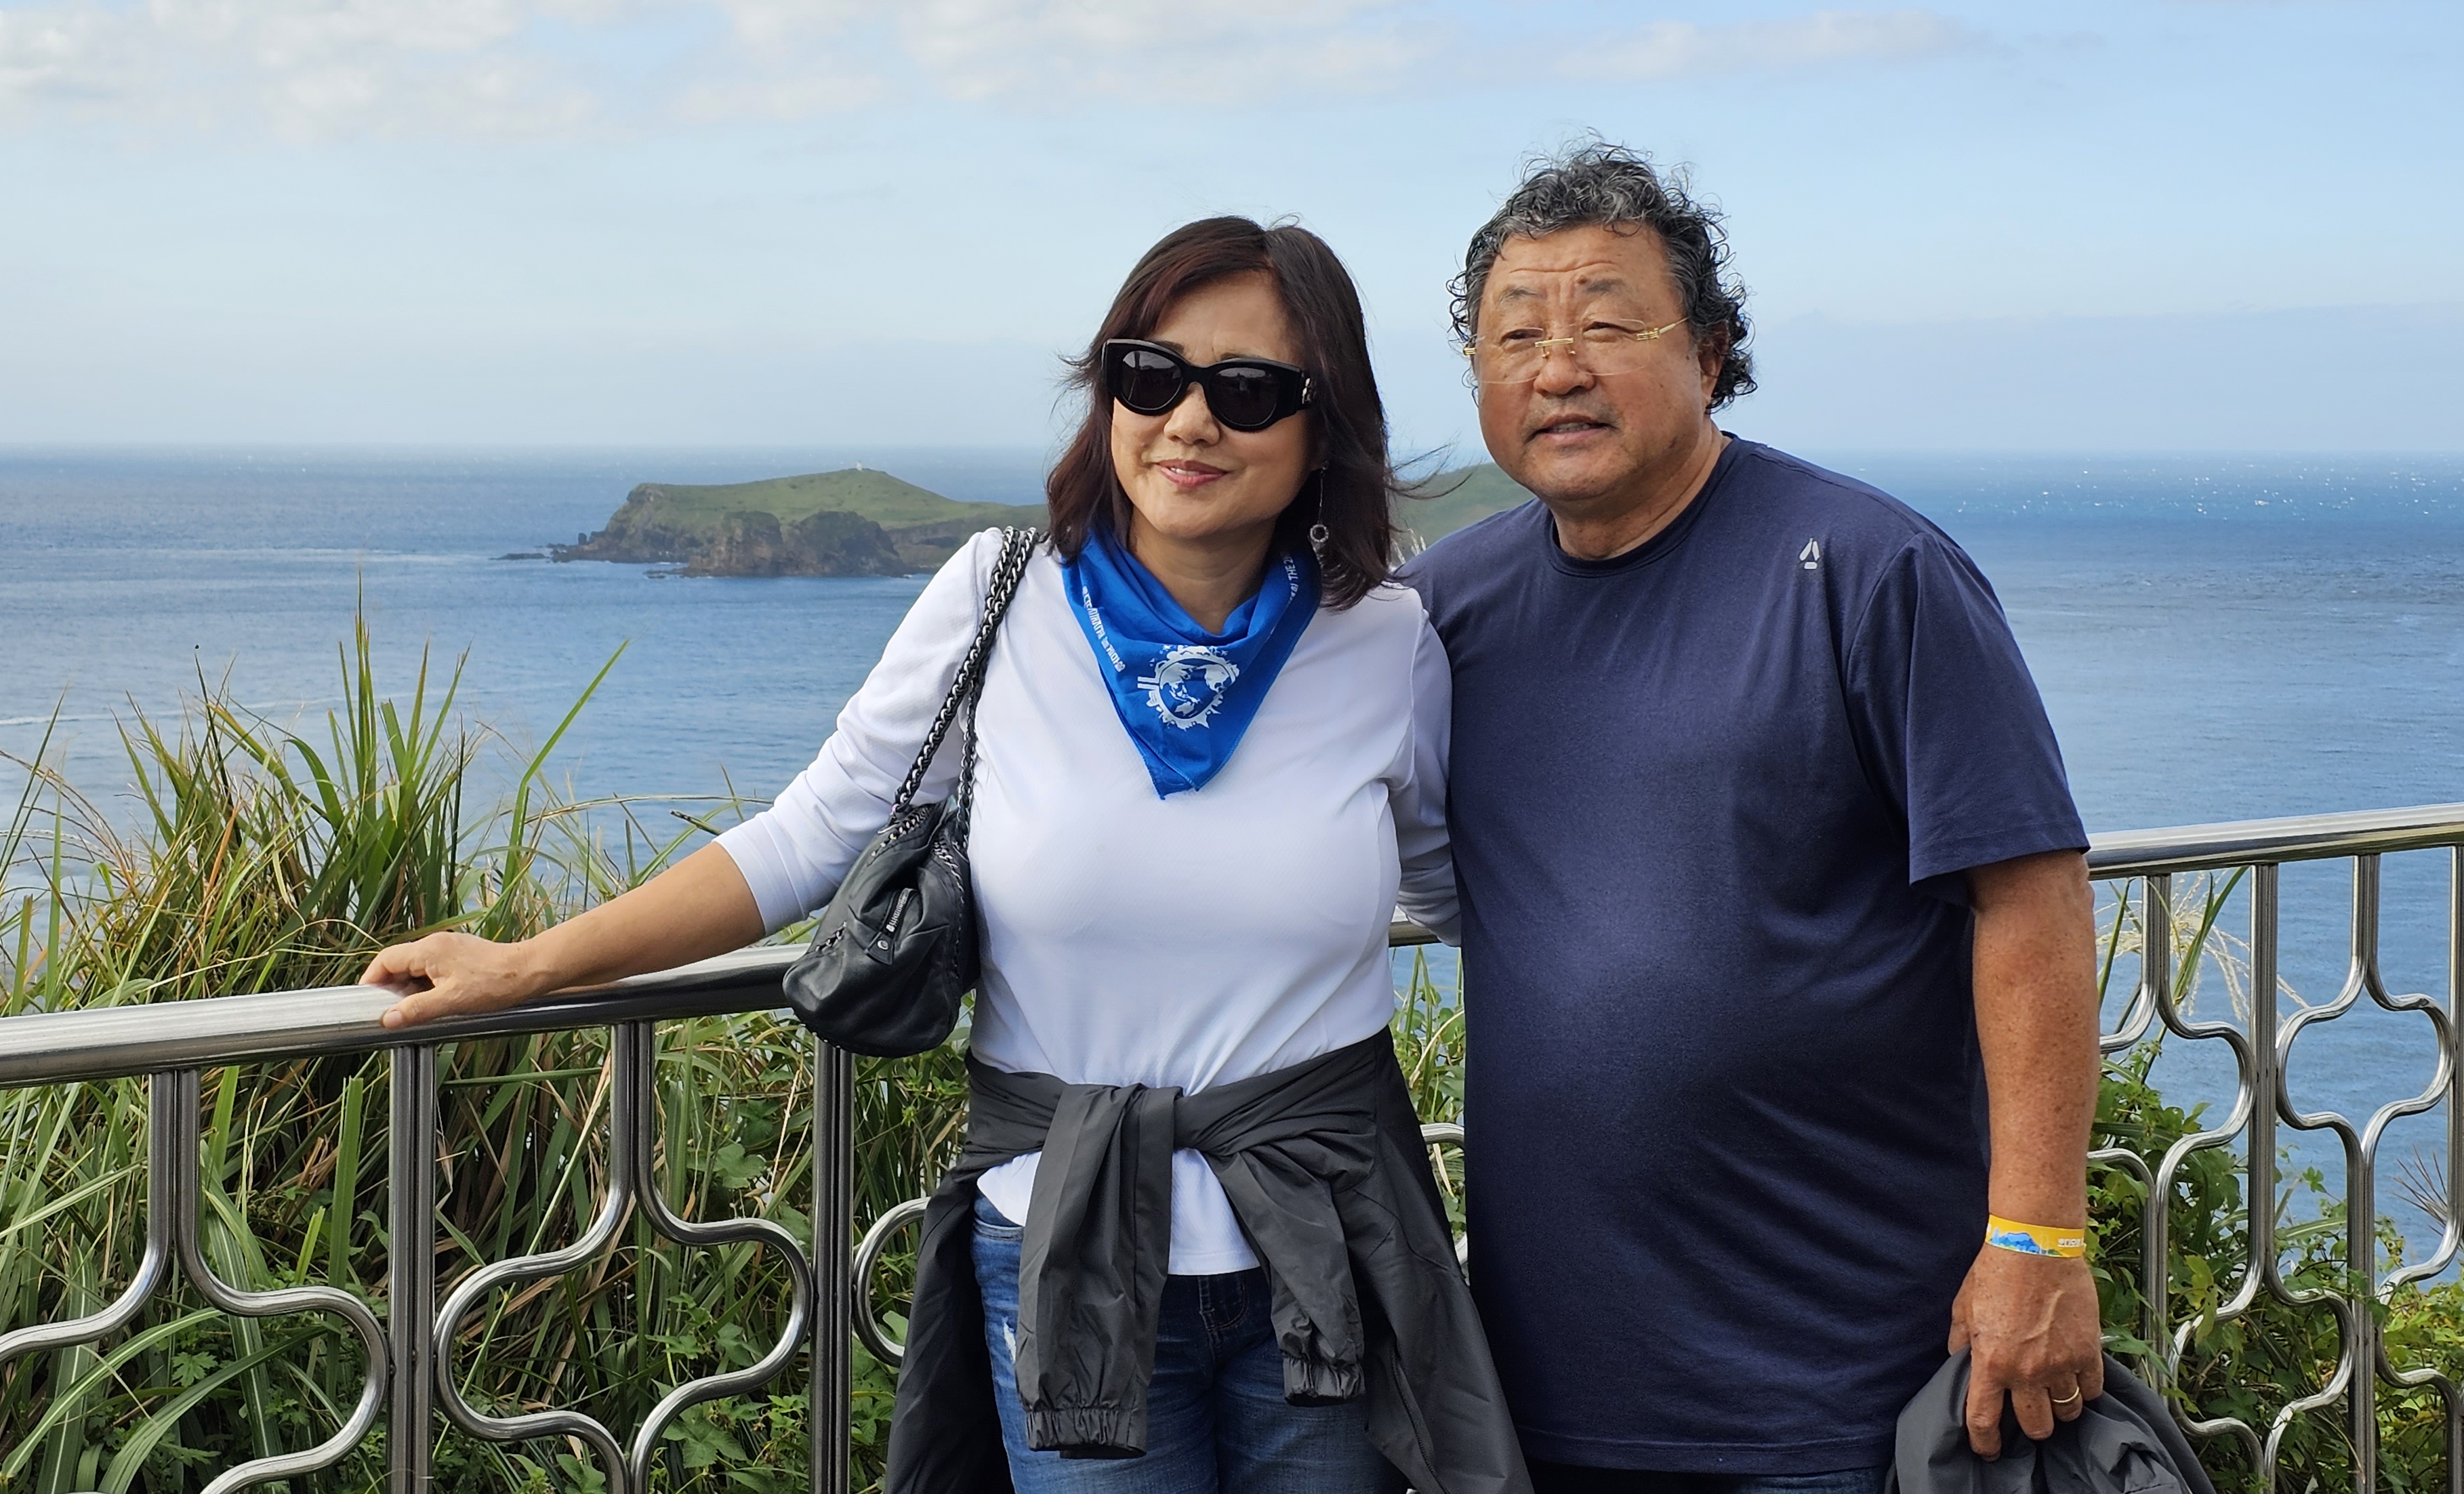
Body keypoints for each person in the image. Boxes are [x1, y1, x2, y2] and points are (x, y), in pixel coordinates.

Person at [365, 217, 1527, 1494]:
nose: (1189, 422)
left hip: (1325, 1243)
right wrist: (531, 965)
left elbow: (1456, 885)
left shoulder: (1382, 642)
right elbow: (810, 835)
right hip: (1064, 1241)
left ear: (1324, 426)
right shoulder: (999, 597)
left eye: (1247, 391)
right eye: (1150, 376)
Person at [1399, 146, 2101, 1493]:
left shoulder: (1870, 571)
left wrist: (2037, 1240)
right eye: (1516, 336)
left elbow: (2031, 897)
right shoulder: (1446, 612)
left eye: (1609, 325)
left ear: (1711, 352)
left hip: (1843, 1373)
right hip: (1548, 1380)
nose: (1558, 368)